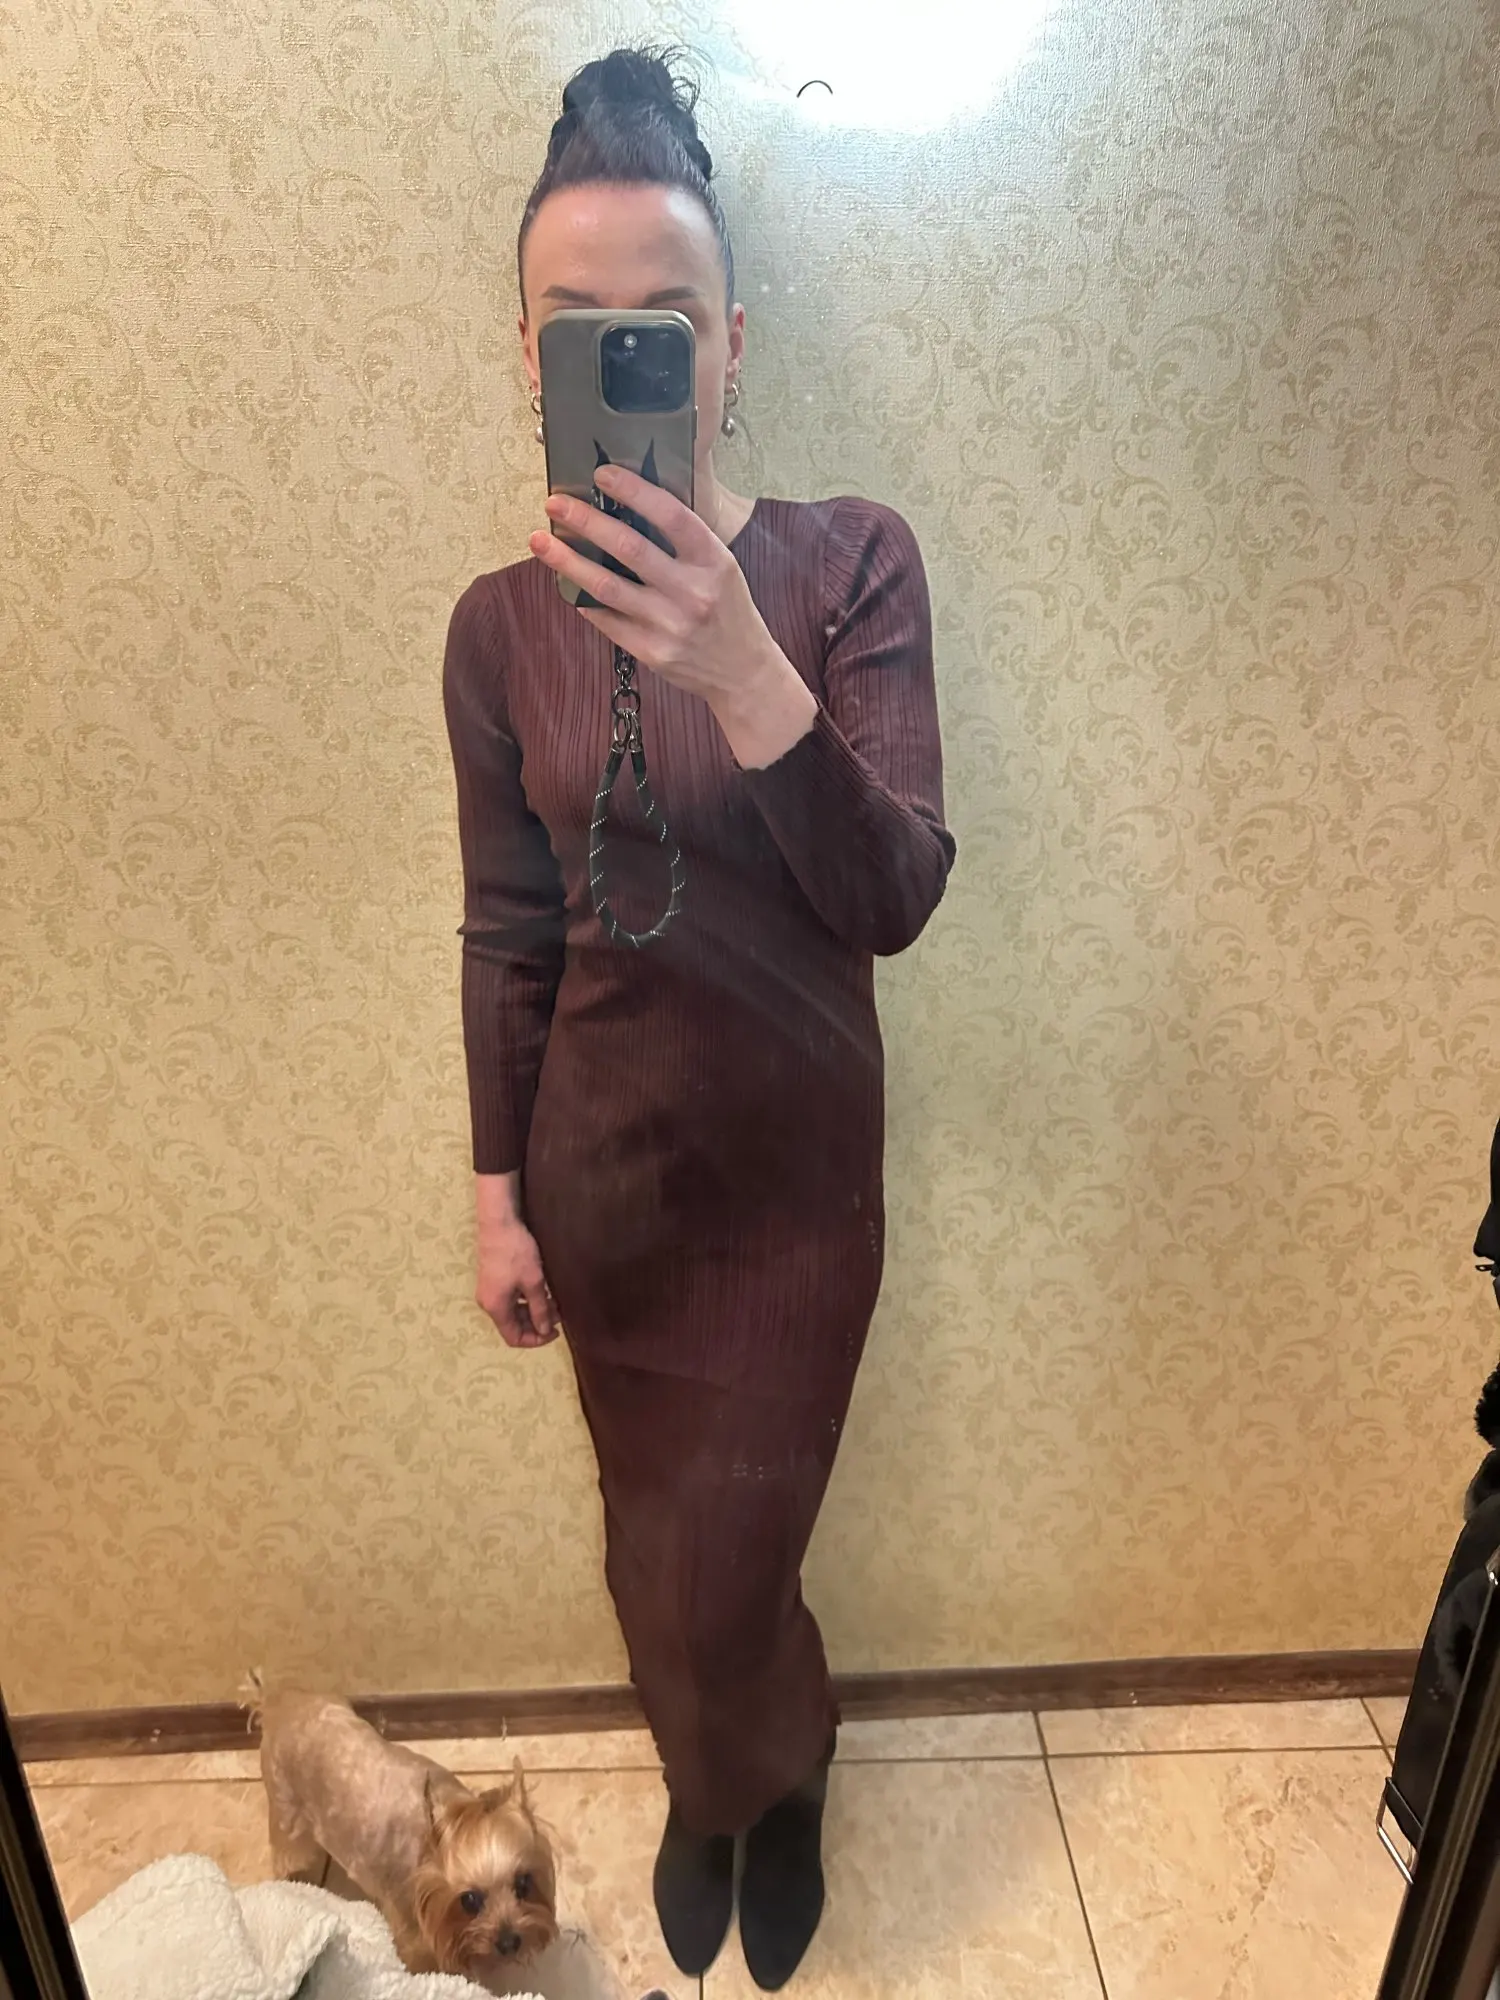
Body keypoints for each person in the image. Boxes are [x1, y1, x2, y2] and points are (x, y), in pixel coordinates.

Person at [441, 44, 955, 1991]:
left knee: (738, 1557)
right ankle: (714, 1778)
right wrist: (498, 1195)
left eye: (664, 318)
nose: (628, 350)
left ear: (729, 345)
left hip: (799, 1197)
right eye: (581, 324)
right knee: (650, 1555)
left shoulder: (848, 565)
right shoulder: (496, 629)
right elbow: (508, 928)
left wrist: (741, 662)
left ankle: (777, 1770)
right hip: (607, 1186)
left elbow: (893, 896)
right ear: (532, 359)